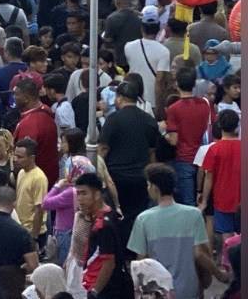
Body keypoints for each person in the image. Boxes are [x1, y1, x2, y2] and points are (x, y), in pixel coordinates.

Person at [128, 163, 228, 299]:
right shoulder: (193, 214)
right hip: (189, 289)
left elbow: (142, 261)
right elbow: (200, 254)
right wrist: (219, 275)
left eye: (148, 185)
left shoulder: (143, 219)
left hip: (160, 292)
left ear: (155, 188)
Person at [98, 79, 159, 246]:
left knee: (117, 215)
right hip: (141, 177)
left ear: (120, 98)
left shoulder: (113, 120)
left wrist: (98, 173)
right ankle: (135, 249)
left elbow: (103, 149)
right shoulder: (148, 120)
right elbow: (152, 152)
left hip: (116, 177)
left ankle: (120, 250)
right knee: (138, 215)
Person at [73, 172, 131, 298]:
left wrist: (95, 291)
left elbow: (108, 263)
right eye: (78, 194)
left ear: (97, 194)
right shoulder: (110, 214)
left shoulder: (103, 225)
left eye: (84, 193)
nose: (80, 199)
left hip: (109, 290)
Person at [164, 66, 214, 206]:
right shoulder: (206, 104)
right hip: (205, 159)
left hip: (184, 159)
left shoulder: (174, 109)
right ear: (194, 84)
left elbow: (174, 141)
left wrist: (165, 135)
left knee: (187, 203)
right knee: (205, 202)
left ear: (177, 84)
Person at [199, 109, 242, 244]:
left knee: (227, 237)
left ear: (219, 126)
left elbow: (209, 177)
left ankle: (229, 264)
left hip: (222, 199)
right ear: (237, 125)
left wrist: (204, 199)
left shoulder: (214, 149)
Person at [123, 6, 171, 112]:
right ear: (158, 28)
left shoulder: (128, 47)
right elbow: (159, 80)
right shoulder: (164, 51)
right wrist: (159, 107)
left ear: (142, 28)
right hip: (151, 103)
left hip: (132, 99)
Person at [12, 79, 59, 186]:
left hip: (33, 183)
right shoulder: (44, 111)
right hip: (47, 178)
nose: (14, 98)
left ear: (27, 98)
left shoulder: (30, 124)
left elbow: (23, 159)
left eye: (16, 95)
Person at [13, 139, 49, 252]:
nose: (16, 160)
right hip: (20, 228)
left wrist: (34, 236)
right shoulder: (21, 172)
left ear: (32, 158)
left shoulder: (39, 178)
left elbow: (40, 209)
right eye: (15, 156)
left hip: (32, 232)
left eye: (20, 157)